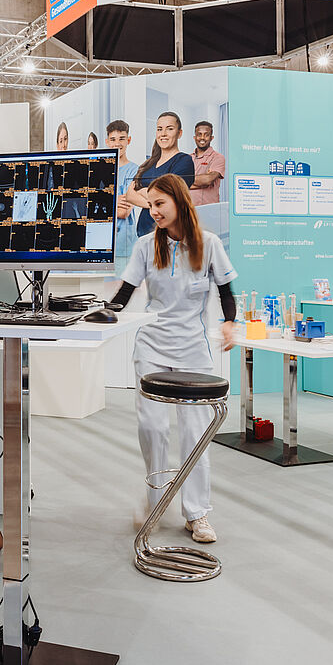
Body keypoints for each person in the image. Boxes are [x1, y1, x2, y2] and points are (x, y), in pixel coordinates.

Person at [110, 175, 236, 543]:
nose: (153, 211)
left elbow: (226, 290)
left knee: (195, 432)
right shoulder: (145, 246)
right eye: (150, 205)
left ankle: (197, 513)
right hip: (152, 344)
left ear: (179, 202)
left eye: (159, 204)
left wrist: (229, 322)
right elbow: (125, 292)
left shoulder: (209, 244)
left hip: (192, 349)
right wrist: (101, 313)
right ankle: (156, 503)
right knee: (152, 428)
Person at [125, 111, 195, 238]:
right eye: (159, 129)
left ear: (179, 133)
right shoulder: (149, 164)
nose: (163, 133)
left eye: (169, 129)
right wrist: (158, 203)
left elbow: (172, 198)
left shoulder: (184, 161)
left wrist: (142, 192)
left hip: (168, 235)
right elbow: (130, 195)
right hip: (143, 234)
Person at [105, 119, 138, 275]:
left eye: (121, 139)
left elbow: (124, 212)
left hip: (124, 248)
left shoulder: (134, 171)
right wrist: (115, 201)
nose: (117, 143)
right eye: (113, 139)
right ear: (107, 142)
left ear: (128, 140)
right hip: (103, 245)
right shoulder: (101, 170)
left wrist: (103, 202)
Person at [190, 121, 226, 206]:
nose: (202, 138)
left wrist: (186, 181)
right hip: (188, 209)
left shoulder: (218, 157)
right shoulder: (187, 158)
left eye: (206, 135)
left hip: (209, 209)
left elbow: (208, 180)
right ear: (194, 137)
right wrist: (201, 181)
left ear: (211, 138)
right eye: (199, 134)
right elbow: (177, 183)